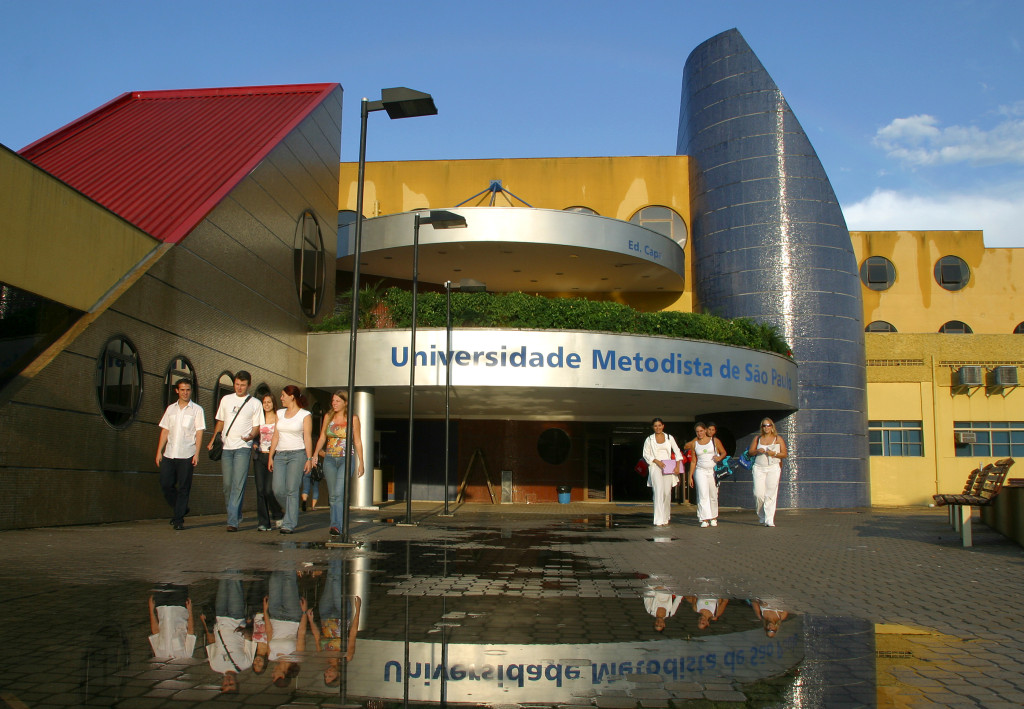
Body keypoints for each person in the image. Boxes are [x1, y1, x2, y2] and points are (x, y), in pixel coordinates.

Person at [208, 371, 261, 532]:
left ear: (249, 385)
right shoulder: (226, 399)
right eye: (237, 384)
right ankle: (236, 514)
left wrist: (251, 436)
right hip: (226, 446)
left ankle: (232, 521)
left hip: (243, 448)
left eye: (243, 385)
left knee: (238, 484)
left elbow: (257, 426)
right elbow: (221, 422)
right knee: (227, 485)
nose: (239, 387)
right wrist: (213, 440)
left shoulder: (255, 403)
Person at [311, 391, 365, 537]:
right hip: (329, 459)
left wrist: (361, 462)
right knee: (333, 495)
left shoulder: (353, 419)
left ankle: (337, 526)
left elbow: (358, 441)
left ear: (345, 403)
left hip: (346, 459)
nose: (334, 403)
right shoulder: (328, 417)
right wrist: (315, 454)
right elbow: (323, 436)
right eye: (333, 401)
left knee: (339, 493)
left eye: (337, 401)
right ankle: (334, 524)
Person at [156, 379, 205, 530]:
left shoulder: (197, 410)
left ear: (191, 391)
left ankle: (178, 520)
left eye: (188, 390)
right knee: (166, 484)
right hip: (170, 454)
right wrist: (159, 452)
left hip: (187, 454)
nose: (185, 392)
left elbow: (199, 432)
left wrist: (197, 453)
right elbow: (165, 430)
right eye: (182, 390)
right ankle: (181, 508)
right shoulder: (170, 409)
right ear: (177, 391)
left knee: (184, 487)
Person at [268, 385, 313, 534]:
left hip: (297, 454)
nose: (281, 398)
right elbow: (275, 435)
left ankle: (289, 523)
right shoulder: (279, 413)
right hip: (280, 454)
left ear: (291, 396)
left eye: (283, 395)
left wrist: (309, 458)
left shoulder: (304, 415)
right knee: (278, 489)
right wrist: (271, 456)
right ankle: (292, 511)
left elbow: (307, 437)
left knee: (292, 489)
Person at [201, 571, 254, 693]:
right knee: (235, 581)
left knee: (223, 581)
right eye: (231, 684)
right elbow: (250, 639)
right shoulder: (245, 664)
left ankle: (226, 559)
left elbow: (211, 642)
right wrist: (245, 632)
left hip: (220, 618)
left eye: (226, 684)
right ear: (237, 683)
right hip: (236, 618)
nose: (228, 681)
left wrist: (205, 623)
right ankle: (235, 559)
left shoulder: (215, 665)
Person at [263, 570, 309, 687]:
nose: (272, 674)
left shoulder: (271, 656)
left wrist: (265, 611)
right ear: (282, 675)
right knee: (289, 580)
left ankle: (280, 554)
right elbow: (301, 634)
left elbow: (269, 632)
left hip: (274, 614)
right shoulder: (296, 657)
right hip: (292, 616)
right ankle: (290, 554)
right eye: (274, 676)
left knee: (274, 578)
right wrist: (304, 612)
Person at [252, 393, 284, 532]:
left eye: (269, 402)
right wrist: (253, 443)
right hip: (260, 456)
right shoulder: (258, 418)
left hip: (273, 456)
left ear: (273, 403)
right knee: (260, 490)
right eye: (264, 402)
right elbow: (253, 433)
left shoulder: (278, 418)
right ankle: (263, 522)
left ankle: (277, 513)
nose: (266, 404)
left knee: (269, 490)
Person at [642, 418, 682, 527]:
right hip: (655, 466)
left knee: (666, 492)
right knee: (658, 491)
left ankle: (665, 517)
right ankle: (658, 519)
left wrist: (677, 466)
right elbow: (646, 454)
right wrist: (656, 461)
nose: (658, 428)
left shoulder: (669, 437)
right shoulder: (649, 439)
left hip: (668, 466)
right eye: (655, 426)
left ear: (663, 426)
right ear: (652, 427)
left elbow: (677, 451)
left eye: (659, 425)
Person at [749, 417, 788, 527]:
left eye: (768, 425)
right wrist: (757, 450)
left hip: (773, 467)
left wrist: (773, 453)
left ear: (772, 427)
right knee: (758, 494)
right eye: (764, 425)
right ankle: (762, 515)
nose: (766, 427)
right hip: (759, 468)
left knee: (771, 493)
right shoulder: (757, 438)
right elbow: (750, 452)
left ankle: (769, 518)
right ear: (762, 427)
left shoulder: (777, 438)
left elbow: (784, 454)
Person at [688, 422, 726, 527]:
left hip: (712, 471)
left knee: (713, 495)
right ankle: (704, 518)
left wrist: (719, 458)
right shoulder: (694, 444)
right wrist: (690, 476)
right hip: (700, 471)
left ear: (705, 430)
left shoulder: (714, 441)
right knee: (702, 494)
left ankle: (713, 517)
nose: (699, 433)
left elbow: (723, 452)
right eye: (697, 431)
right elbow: (693, 461)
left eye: (701, 431)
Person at [147, 586, 195, 658]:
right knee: (179, 581)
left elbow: (155, 632)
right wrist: (190, 610)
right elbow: (190, 632)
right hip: (179, 606)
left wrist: (151, 610)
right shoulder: (186, 656)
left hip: (161, 607)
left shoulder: (159, 655)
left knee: (161, 580)